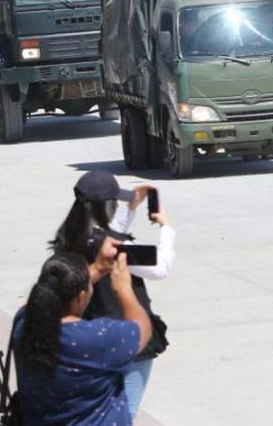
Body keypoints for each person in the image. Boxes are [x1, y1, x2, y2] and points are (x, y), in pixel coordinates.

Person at [49, 170, 175, 420]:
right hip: (126, 337)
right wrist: (167, 227)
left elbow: (107, 234)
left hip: (91, 335)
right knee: (126, 412)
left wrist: (131, 209)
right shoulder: (114, 246)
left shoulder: (71, 237)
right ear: (107, 206)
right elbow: (160, 268)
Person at [14, 251, 152, 425]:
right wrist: (124, 289)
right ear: (81, 297)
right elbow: (142, 329)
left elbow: (40, 301)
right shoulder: (94, 338)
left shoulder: (24, 323)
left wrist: (98, 268)